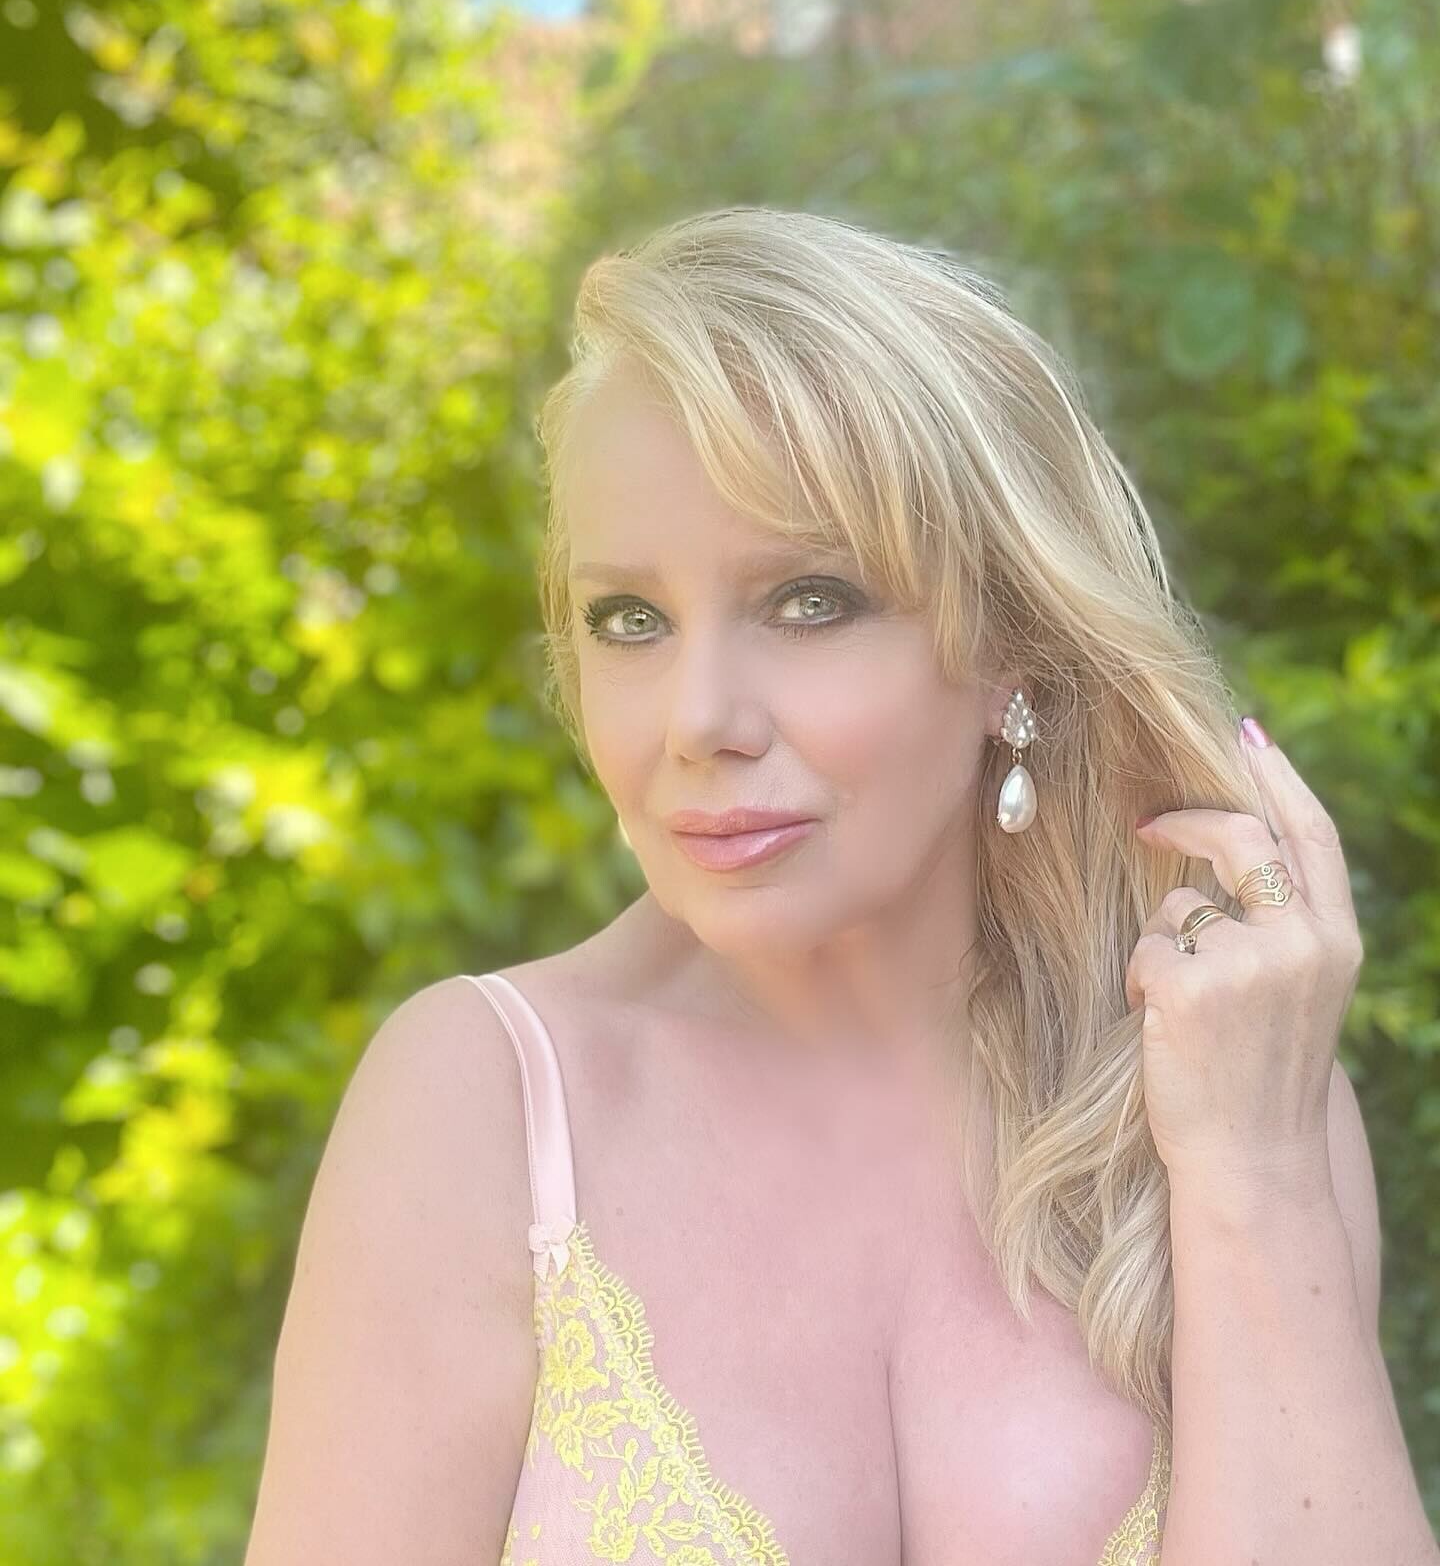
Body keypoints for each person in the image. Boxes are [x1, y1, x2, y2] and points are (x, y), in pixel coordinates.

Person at [237, 208, 1393, 1565]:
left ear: (1011, 643)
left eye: (809, 602)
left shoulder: (1234, 1088)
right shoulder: (483, 1103)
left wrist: (1259, 1176)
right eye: (630, 620)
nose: (699, 719)